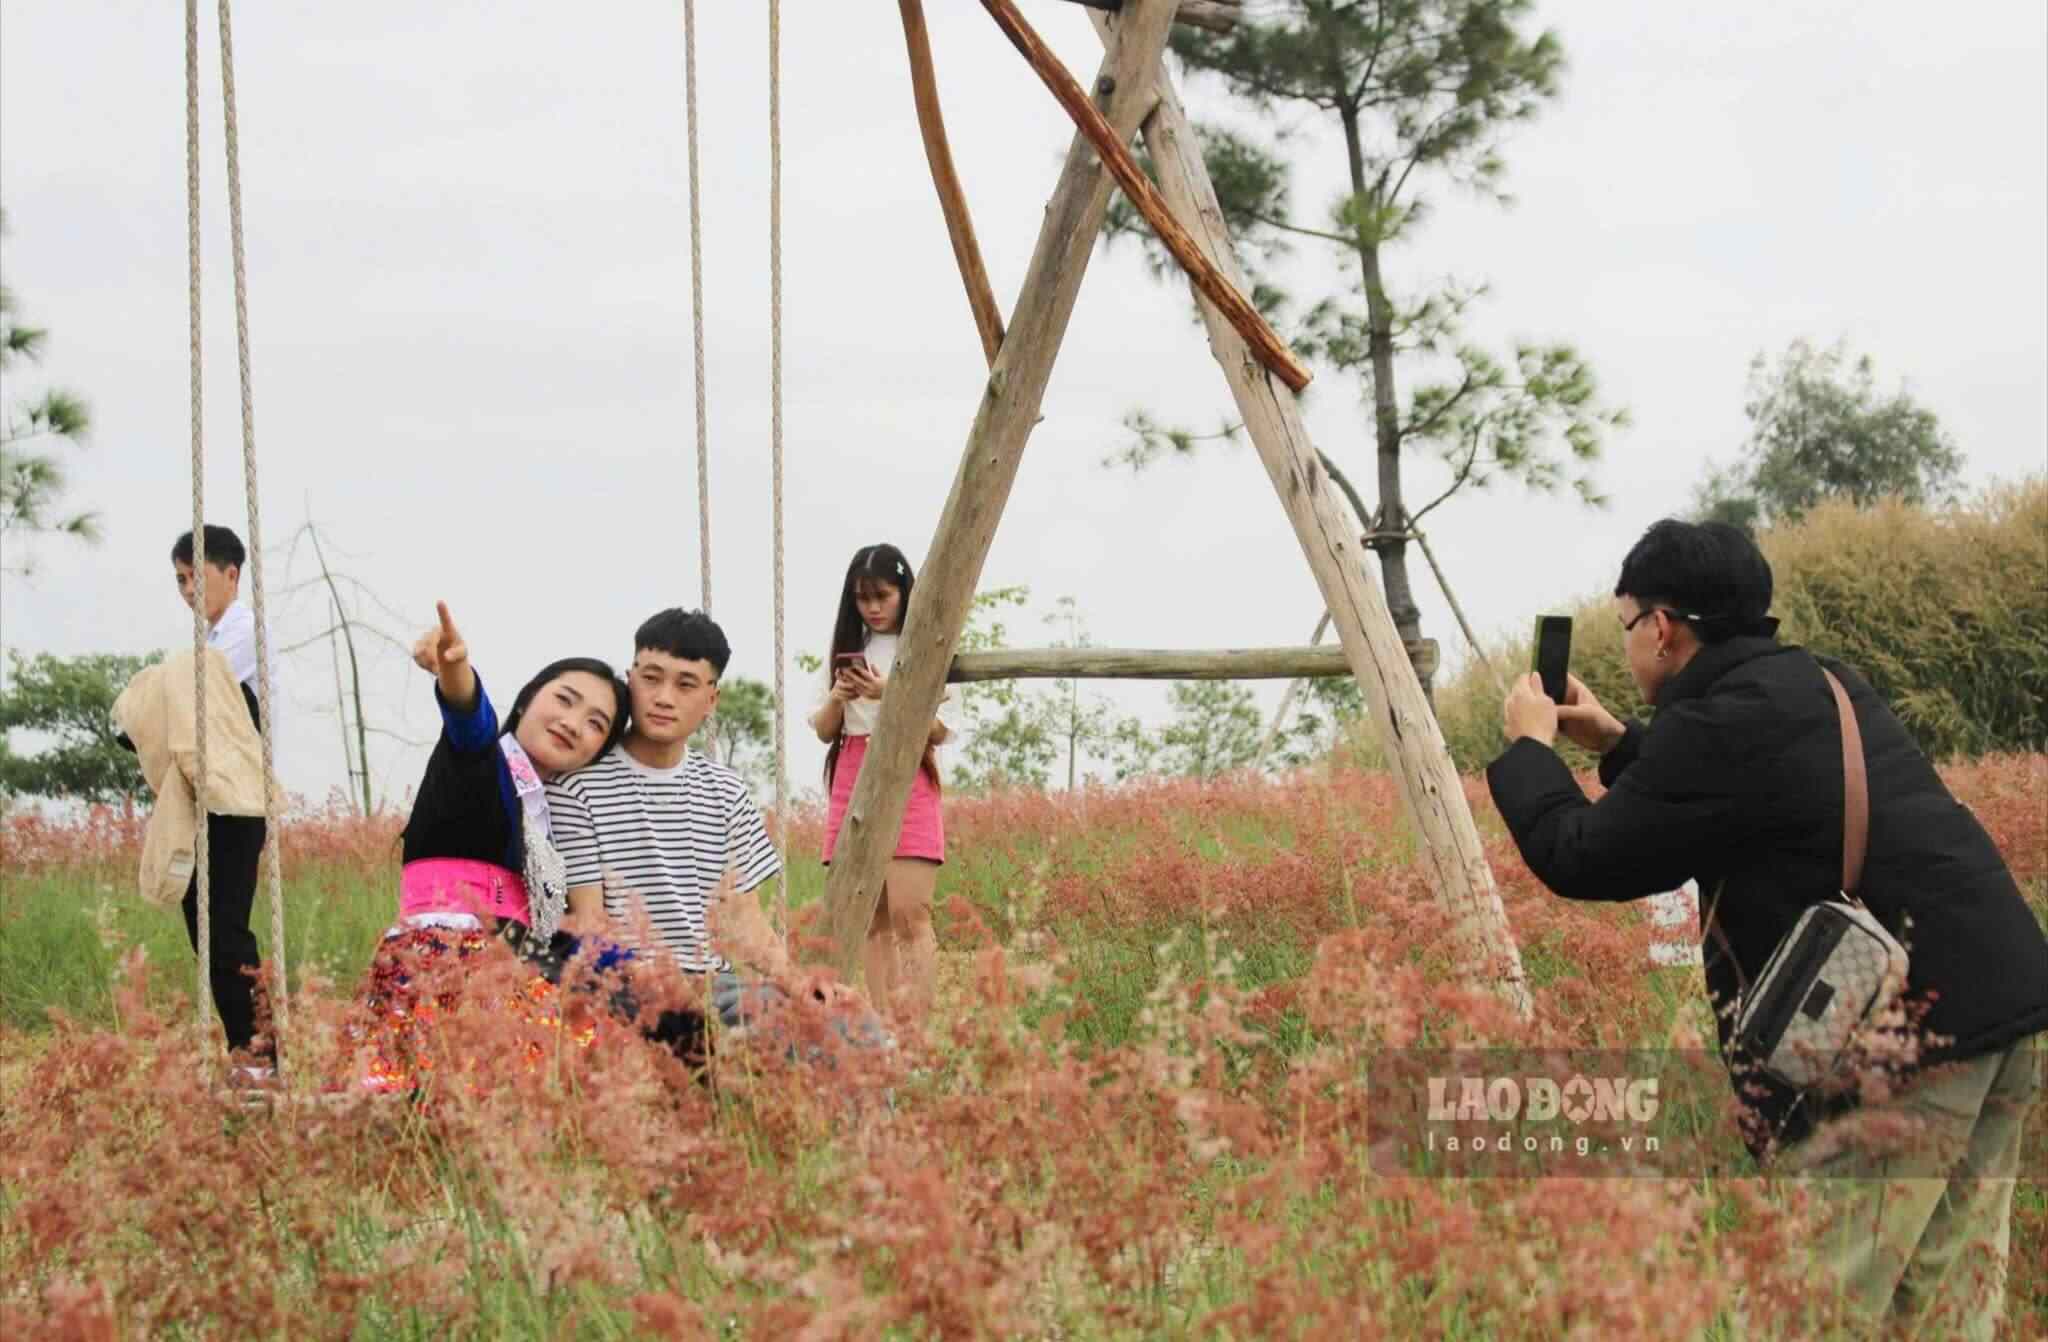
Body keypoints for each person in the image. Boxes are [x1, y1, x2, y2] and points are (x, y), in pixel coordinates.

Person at [1485, 518, 2048, 1338]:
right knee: (1941, 1307)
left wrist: (1529, 751)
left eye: (1628, 624)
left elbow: (1583, 857)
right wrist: (1616, 740)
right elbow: (1723, 799)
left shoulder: (1718, 727)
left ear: (1664, 628)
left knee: (1809, 1308)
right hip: (2002, 1006)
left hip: (1905, 1040)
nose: (1630, 643)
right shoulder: (1817, 682)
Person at [548, 608, 872, 1069]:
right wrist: (666, 987)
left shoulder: (725, 791)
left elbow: (743, 918)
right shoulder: (577, 787)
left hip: (715, 986)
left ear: (711, 699)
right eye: (651, 678)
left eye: (685, 684)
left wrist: (798, 982)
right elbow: (590, 925)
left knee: (848, 1024)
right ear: (630, 680)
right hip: (622, 984)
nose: (664, 698)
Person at [358, 601, 630, 1092]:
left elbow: (558, 937)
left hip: (514, 963)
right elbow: (470, 718)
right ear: (526, 701)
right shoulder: (480, 761)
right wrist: (455, 670)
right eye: (564, 700)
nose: (573, 723)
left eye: (596, 723)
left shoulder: (551, 819)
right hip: (444, 956)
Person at [807, 544, 958, 1025]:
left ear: (904, 592)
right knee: (869, 916)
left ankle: (917, 1029)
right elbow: (824, 730)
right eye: (862, 598)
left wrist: (889, 692)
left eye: (882, 596)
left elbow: (941, 731)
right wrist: (839, 696)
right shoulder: (844, 648)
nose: (872, 607)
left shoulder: (928, 643)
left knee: (911, 913)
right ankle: (882, 1025)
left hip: (909, 768)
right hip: (853, 770)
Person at [168, 525, 279, 1080]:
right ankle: (247, 1049)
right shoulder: (209, 642)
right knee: (203, 918)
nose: (188, 590)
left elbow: (196, 692)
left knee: (226, 926)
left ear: (230, 574)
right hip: (212, 798)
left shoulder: (242, 633)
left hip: (239, 800)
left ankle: (260, 1055)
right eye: (180, 580)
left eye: (195, 576)